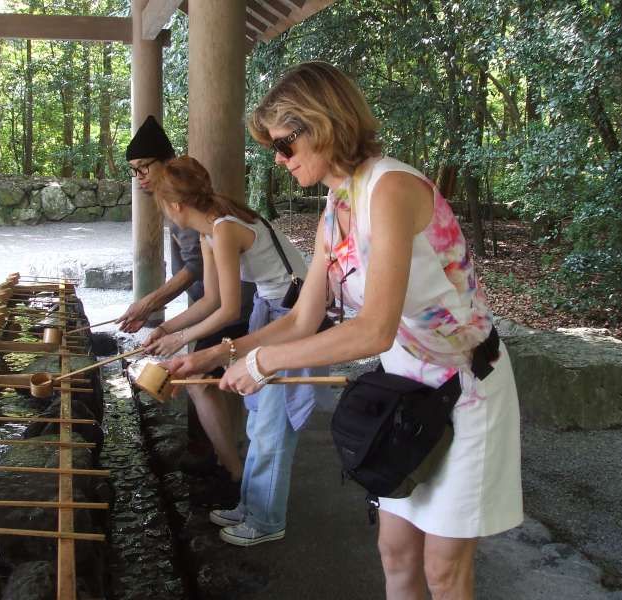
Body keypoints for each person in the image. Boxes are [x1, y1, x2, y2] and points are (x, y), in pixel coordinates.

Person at [165, 62, 523, 598]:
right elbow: (300, 318)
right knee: (396, 553)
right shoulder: (338, 201)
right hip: (406, 389)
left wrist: (263, 364)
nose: (280, 159)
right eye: (273, 149)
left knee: (444, 570)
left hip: (466, 386)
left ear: (325, 124)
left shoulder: (391, 188)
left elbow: (374, 328)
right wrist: (218, 353)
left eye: (286, 144)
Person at [147, 156, 332, 547]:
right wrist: (167, 329)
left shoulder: (224, 229)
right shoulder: (210, 232)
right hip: (270, 312)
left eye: (161, 204)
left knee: (272, 424)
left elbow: (229, 309)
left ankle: (266, 520)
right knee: (258, 417)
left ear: (175, 205)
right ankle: (250, 504)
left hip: (291, 316)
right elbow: (211, 300)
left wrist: (186, 344)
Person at [117, 116, 254, 489]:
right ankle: (230, 459)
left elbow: (212, 289)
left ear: (167, 163)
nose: (141, 176)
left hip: (242, 307)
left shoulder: (200, 217)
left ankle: (230, 468)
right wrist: (165, 326)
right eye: (135, 171)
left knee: (198, 379)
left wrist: (161, 317)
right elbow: (210, 292)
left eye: (145, 167)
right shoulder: (196, 211)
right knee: (213, 380)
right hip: (222, 304)